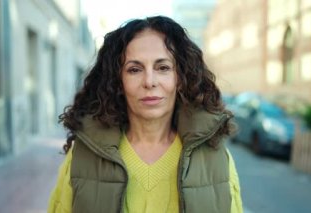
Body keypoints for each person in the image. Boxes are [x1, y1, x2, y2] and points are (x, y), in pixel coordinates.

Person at [48, 15, 243, 213]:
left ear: (181, 78)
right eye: (134, 69)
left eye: (163, 68)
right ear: (118, 81)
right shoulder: (82, 155)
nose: (149, 81)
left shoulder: (217, 158)